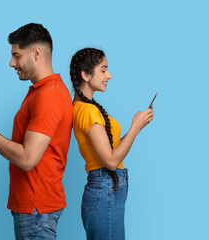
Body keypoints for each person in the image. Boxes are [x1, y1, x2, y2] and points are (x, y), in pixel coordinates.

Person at [0, 23, 73, 240]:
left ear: (36, 53)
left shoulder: (48, 96)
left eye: (16, 55)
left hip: (36, 210)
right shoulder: (41, 92)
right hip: (35, 208)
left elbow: (27, 158)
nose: (11, 63)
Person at [70, 48, 154, 240]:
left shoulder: (87, 108)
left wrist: (137, 128)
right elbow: (110, 161)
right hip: (104, 188)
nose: (109, 75)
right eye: (103, 70)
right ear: (85, 74)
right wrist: (135, 127)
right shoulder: (87, 111)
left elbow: (112, 151)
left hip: (107, 189)